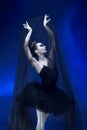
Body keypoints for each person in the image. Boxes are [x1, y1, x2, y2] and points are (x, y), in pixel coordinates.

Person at [8, 14, 75, 130]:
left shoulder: (50, 60)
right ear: (37, 51)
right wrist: (30, 31)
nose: (44, 45)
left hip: (53, 96)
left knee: (40, 124)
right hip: (41, 96)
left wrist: (45, 26)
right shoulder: (36, 63)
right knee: (41, 124)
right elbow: (25, 46)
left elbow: (53, 40)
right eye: (41, 45)